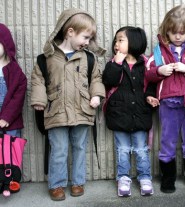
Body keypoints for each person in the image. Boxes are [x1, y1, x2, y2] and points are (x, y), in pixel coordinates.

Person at [30, 8, 106, 201]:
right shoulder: (46, 58)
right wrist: (39, 100)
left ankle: (78, 182)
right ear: (70, 32)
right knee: (59, 149)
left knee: (80, 146)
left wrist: (96, 94)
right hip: (56, 111)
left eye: (90, 39)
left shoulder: (88, 58)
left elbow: (96, 78)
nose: (87, 42)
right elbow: (38, 79)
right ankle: (56, 185)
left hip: (82, 110)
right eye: (85, 37)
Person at [145, 5, 185, 193]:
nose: (178, 36)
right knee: (168, 140)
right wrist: (159, 71)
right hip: (168, 102)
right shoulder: (159, 51)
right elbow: (148, 73)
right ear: (167, 30)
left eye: (182, 32)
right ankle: (168, 177)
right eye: (173, 32)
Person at [102, 26, 159, 197]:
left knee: (142, 149)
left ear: (134, 42)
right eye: (116, 40)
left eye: (121, 40)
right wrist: (117, 63)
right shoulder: (113, 63)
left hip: (140, 113)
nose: (116, 44)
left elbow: (151, 85)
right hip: (119, 114)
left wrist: (150, 97)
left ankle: (145, 177)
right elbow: (108, 81)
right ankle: (123, 178)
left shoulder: (146, 64)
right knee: (123, 149)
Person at [0, 23, 27, 197]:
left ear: (6, 44)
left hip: (10, 120)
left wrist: (6, 117)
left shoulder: (14, 70)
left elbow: (19, 95)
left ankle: (10, 182)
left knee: (9, 152)